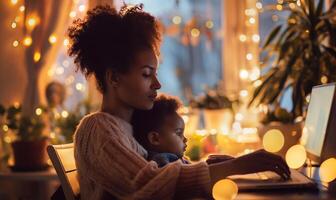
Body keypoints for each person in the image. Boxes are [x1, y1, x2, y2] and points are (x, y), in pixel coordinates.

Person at [69, 4, 290, 200]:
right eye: (146, 74)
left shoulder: (130, 128)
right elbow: (149, 185)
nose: (157, 84)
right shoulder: (97, 129)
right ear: (114, 77)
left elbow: (163, 170)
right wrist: (236, 166)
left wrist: (220, 164)